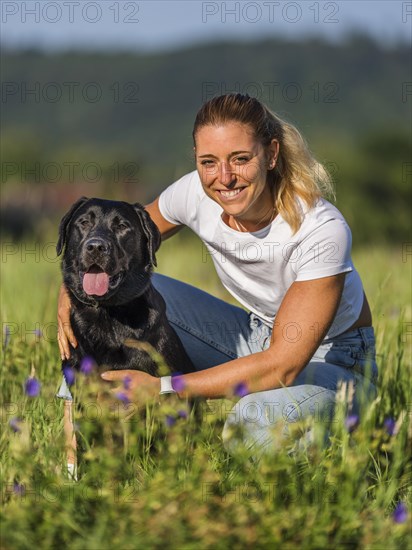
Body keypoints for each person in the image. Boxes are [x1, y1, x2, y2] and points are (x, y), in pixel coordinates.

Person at [57, 93, 378, 457]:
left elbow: (284, 366)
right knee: (116, 295)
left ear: (271, 154)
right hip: (259, 335)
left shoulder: (321, 229)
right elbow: (120, 243)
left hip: (331, 362)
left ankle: (343, 442)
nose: (224, 178)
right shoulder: (195, 192)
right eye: (209, 162)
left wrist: (165, 388)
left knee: (249, 428)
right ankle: (75, 450)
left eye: (240, 159)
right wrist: (74, 293)